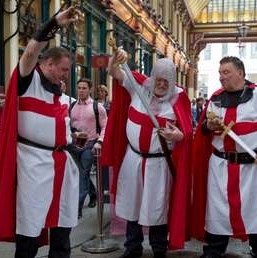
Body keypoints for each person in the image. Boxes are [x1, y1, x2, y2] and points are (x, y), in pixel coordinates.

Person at [0, 7, 79, 258]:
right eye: (64, 69)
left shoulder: (62, 95)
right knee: (30, 226)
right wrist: (53, 23)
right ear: (47, 64)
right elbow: (32, 50)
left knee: (62, 226)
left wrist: (71, 139)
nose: (67, 75)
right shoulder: (28, 81)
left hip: (62, 164)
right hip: (34, 163)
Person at [190, 56, 257, 258]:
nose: (221, 77)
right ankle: (213, 253)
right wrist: (209, 126)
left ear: (241, 73)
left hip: (254, 170)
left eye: (226, 72)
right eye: (220, 73)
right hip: (221, 168)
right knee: (218, 215)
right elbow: (204, 131)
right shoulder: (215, 99)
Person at [102, 48, 192, 258]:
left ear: (172, 82)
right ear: (152, 77)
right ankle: (133, 248)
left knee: (157, 207)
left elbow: (187, 133)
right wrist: (116, 59)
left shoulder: (179, 99)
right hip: (133, 159)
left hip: (159, 164)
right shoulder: (138, 87)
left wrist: (179, 136)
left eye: (166, 82)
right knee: (132, 205)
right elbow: (114, 72)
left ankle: (159, 249)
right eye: (159, 79)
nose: (161, 84)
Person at [69, 78, 107, 218]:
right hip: (74, 144)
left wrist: (100, 142)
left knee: (82, 173)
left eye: (84, 88)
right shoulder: (72, 106)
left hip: (90, 144)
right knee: (80, 173)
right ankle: (93, 194)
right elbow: (69, 125)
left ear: (90, 89)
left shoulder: (97, 107)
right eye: (79, 88)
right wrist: (73, 133)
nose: (81, 90)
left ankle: (77, 207)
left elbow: (105, 127)